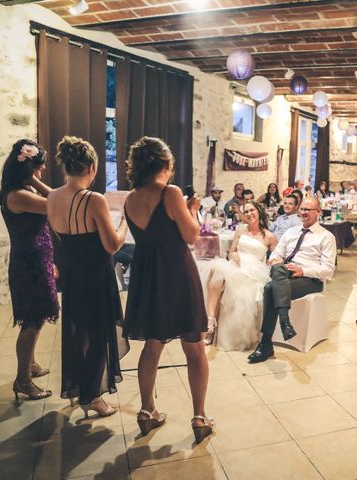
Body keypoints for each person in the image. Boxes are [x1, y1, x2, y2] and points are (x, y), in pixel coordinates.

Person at [122, 136, 212, 441]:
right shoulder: (171, 192)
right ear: (166, 163)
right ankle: (199, 417)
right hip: (176, 272)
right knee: (194, 347)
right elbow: (190, 235)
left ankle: (147, 410)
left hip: (147, 276)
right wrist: (193, 209)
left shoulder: (131, 198)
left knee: (152, 343)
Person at [46, 136, 129, 418]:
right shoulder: (93, 199)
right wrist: (124, 224)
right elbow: (112, 244)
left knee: (78, 333)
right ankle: (91, 396)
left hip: (73, 276)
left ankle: (79, 387)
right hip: (96, 277)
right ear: (91, 168)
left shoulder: (52, 197)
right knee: (97, 336)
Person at [0, 139, 59, 401]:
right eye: (40, 167)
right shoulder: (19, 195)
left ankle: (30, 364)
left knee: (38, 315)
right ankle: (23, 380)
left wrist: (31, 179)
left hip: (37, 259)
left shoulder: (21, 191)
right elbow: (55, 203)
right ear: (29, 168)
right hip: (29, 263)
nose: (42, 171)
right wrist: (34, 182)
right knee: (32, 321)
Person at [247, 197, 336, 363]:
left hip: (310, 279)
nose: (303, 212)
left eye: (307, 210)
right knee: (277, 268)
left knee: (269, 288)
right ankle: (284, 322)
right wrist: (276, 260)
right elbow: (275, 254)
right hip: (285, 273)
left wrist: (303, 270)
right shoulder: (291, 232)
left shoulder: (326, 237)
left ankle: (266, 343)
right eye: (301, 209)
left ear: (318, 212)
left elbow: (328, 270)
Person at [203, 201, 277, 349]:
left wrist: (271, 262)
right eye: (246, 211)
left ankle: (212, 328)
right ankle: (210, 322)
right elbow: (231, 252)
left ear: (259, 211)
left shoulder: (270, 236)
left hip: (255, 271)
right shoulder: (240, 231)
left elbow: (276, 257)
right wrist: (234, 255)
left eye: (252, 210)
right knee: (216, 272)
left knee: (229, 285)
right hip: (237, 264)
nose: (249, 214)